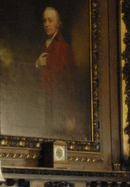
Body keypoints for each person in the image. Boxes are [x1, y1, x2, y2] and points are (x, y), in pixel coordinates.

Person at [35, 6, 77, 136]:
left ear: (58, 24)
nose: (46, 24)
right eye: (44, 21)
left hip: (59, 105)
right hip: (43, 103)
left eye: (50, 20)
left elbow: (71, 83)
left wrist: (70, 113)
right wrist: (37, 64)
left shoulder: (65, 48)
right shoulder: (41, 45)